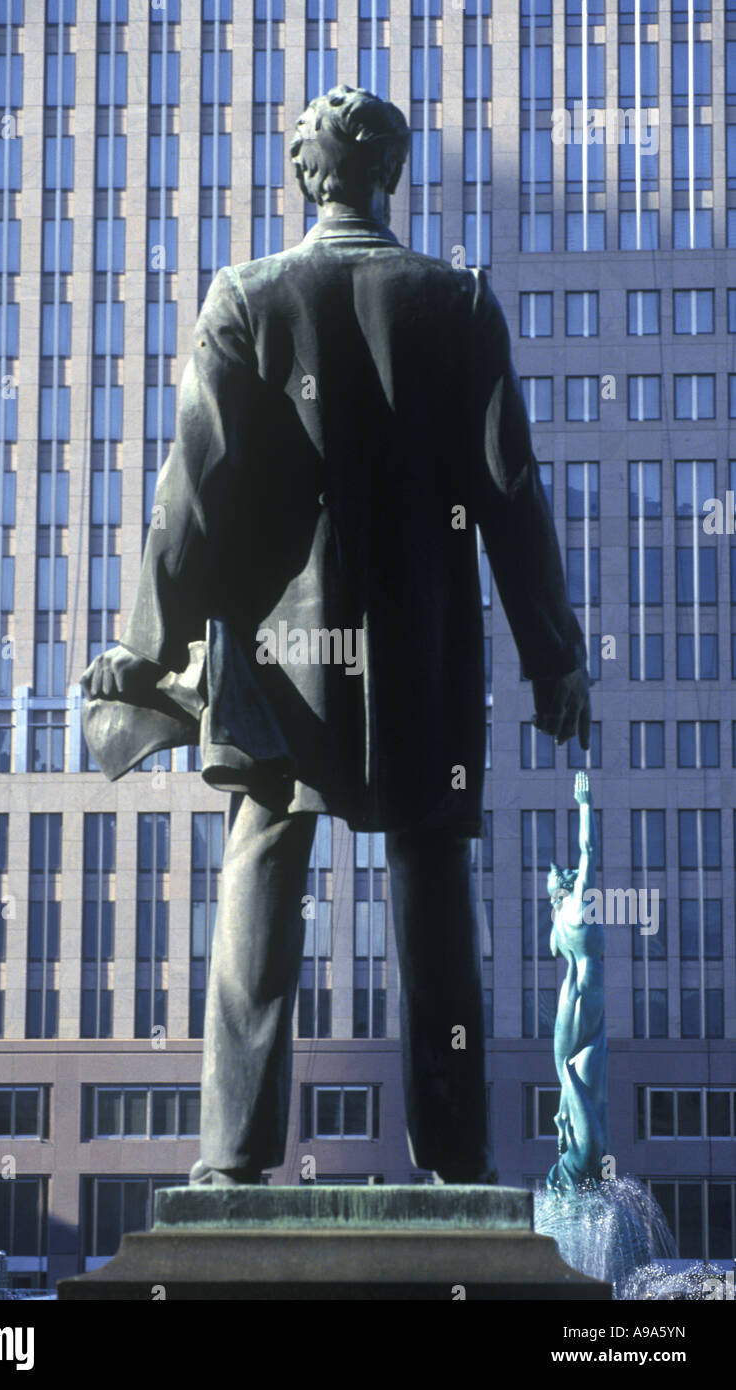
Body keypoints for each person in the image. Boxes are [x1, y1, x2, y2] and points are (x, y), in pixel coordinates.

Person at [81, 85, 591, 1186]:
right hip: (424, 658)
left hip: (278, 661)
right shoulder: (456, 304)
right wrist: (555, 657)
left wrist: (148, 641)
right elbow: (512, 494)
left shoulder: (248, 297)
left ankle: (229, 1161)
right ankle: (456, 1165)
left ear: (308, 175)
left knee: (262, 870)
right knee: (435, 894)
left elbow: (193, 494)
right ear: (390, 175)